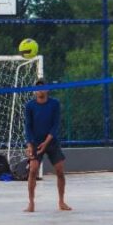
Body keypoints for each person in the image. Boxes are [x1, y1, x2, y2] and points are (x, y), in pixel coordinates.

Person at [24, 79, 72, 212]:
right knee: (33, 170)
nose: (40, 89)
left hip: (51, 141)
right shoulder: (30, 106)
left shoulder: (54, 104)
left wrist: (46, 142)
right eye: (38, 87)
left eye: (43, 87)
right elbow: (28, 127)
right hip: (35, 142)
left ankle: (61, 201)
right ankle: (31, 203)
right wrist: (29, 144)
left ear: (47, 89)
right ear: (35, 90)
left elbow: (55, 125)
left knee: (60, 170)